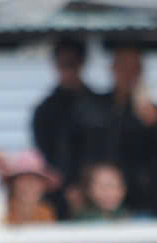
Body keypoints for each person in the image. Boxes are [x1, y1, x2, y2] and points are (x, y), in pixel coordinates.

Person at [33, 38, 115, 208]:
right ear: (55, 65)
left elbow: (107, 147)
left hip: (103, 192)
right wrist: (68, 185)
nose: (68, 69)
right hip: (61, 193)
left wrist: (95, 185)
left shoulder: (100, 104)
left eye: (72, 63)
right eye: (63, 63)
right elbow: (48, 155)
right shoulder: (45, 110)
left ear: (82, 63)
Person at [104, 46, 157, 215]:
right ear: (113, 69)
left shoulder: (154, 113)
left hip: (150, 198)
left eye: (135, 69)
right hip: (108, 198)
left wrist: (154, 125)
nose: (129, 74)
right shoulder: (99, 107)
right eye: (124, 67)